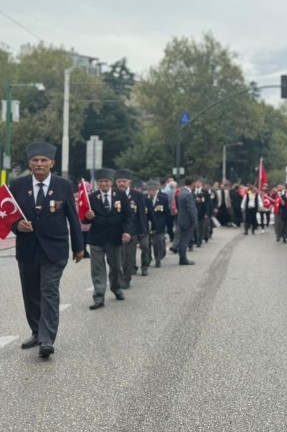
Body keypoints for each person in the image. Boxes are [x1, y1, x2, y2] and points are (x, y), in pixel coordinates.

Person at [10, 142, 84, 357]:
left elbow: (73, 217)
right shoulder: (17, 185)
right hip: (27, 248)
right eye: (35, 160)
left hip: (55, 249)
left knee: (49, 292)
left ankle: (47, 339)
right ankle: (36, 332)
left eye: (44, 160)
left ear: (52, 163)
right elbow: (8, 216)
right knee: (31, 293)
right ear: (29, 163)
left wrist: (79, 247)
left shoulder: (64, 185)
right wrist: (17, 226)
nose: (39, 164)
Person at [84, 168, 134, 309]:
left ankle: (116, 288)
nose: (104, 184)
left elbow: (128, 215)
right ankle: (99, 296)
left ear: (111, 182)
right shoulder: (92, 197)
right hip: (96, 238)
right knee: (97, 268)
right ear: (97, 183)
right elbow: (84, 219)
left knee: (116, 266)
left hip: (115, 237)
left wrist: (127, 231)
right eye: (101, 181)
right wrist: (87, 217)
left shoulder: (120, 195)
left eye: (106, 181)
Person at [145, 181, 169, 267]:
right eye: (149, 190)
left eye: (153, 190)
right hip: (147, 224)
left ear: (156, 190)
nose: (151, 192)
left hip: (159, 224)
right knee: (146, 243)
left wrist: (168, 226)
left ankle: (158, 258)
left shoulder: (163, 199)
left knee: (157, 242)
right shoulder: (143, 198)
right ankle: (147, 259)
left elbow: (167, 213)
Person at [176, 177, 198, 265]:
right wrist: (194, 220)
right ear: (192, 183)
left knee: (182, 239)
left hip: (181, 219)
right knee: (184, 240)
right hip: (187, 221)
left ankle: (182, 256)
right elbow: (190, 209)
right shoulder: (188, 194)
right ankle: (183, 258)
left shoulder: (182, 193)